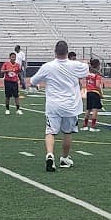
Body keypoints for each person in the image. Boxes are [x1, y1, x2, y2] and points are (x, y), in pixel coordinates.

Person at [29, 41, 88, 172]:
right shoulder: (75, 65)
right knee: (68, 133)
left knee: (50, 132)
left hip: (53, 105)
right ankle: (64, 158)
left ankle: (50, 154)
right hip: (71, 105)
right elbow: (85, 69)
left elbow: (33, 81)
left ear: (55, 52)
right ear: (67, 52)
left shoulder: (48, 66)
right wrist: (85, 62)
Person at [0, 51, 23, 115]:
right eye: (12, 57)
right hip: (8, 81)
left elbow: (19, 72)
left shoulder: (17, 65)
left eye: (14, 57)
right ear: (10, 57)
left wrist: (21, 81)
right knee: (8, 96)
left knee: (16, 96)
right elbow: (1, 71)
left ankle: (18, 109)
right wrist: (7, 70)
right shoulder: (6, 64)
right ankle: (7, 109)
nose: (13, 58)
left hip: (15, 82)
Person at [83, 57, 104, 130]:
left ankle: (85, 125)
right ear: (98, 66)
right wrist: (101, 94)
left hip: (88, 92)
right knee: (95, 109)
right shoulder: (97, 76)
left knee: (88, 109)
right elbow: (97, 85)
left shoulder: (88, 74)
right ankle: (93, 126)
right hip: (95, 93)